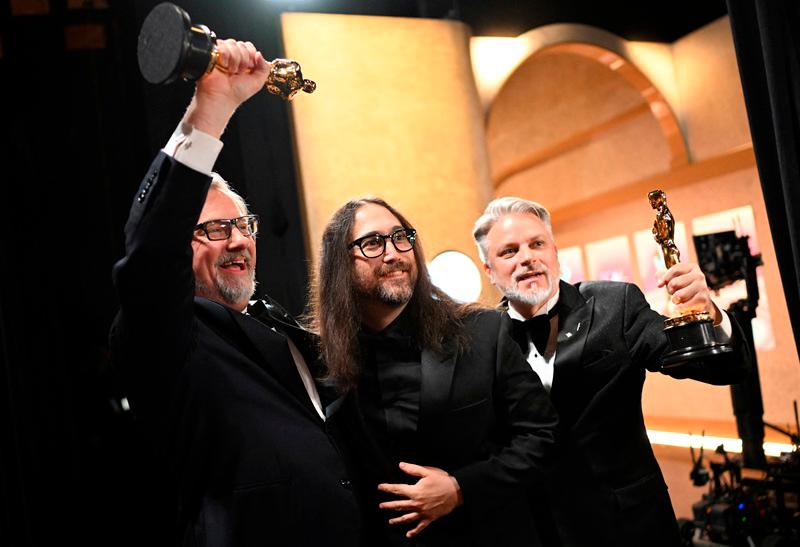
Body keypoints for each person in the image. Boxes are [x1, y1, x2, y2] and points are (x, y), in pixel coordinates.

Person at [110, 40, 361, 545]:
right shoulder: (169, 333)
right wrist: (213, 108)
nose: (237, 239)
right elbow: (148, 255)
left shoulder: (279, 323)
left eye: (242, 224)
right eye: (211, 230)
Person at [472, 196, 751, 547]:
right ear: (489, 271)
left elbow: (723, 368)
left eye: (537, 243)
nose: (527, 256)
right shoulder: (481, 339)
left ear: (555, 252)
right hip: (540, 531)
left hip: (631, 526)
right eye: (509, 251)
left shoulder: (613, 306)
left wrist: (708, 311)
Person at [307, 197, 559, 547]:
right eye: (373, 243)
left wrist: (460, 488)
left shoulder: (484, 331)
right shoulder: (318, 362)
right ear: (340, 264)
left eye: (401, 237)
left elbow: (542, 437)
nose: (394, 253)